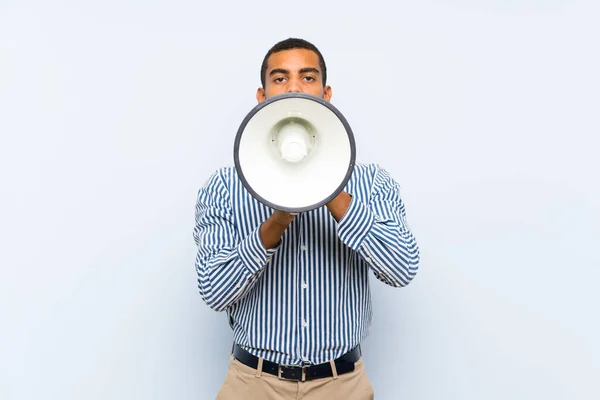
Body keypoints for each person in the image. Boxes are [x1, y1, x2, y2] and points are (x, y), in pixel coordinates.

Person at [193, 38, 420, 400]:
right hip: (253, 383)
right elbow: (214, 291)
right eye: (280, 79)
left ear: (326, 94)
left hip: (341, 384)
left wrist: (331, 190)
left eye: (307, 77)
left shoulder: (371, 181)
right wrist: (275, 224)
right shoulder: (223, 187)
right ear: (262, 95)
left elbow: (402, 267)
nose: (295, 87)